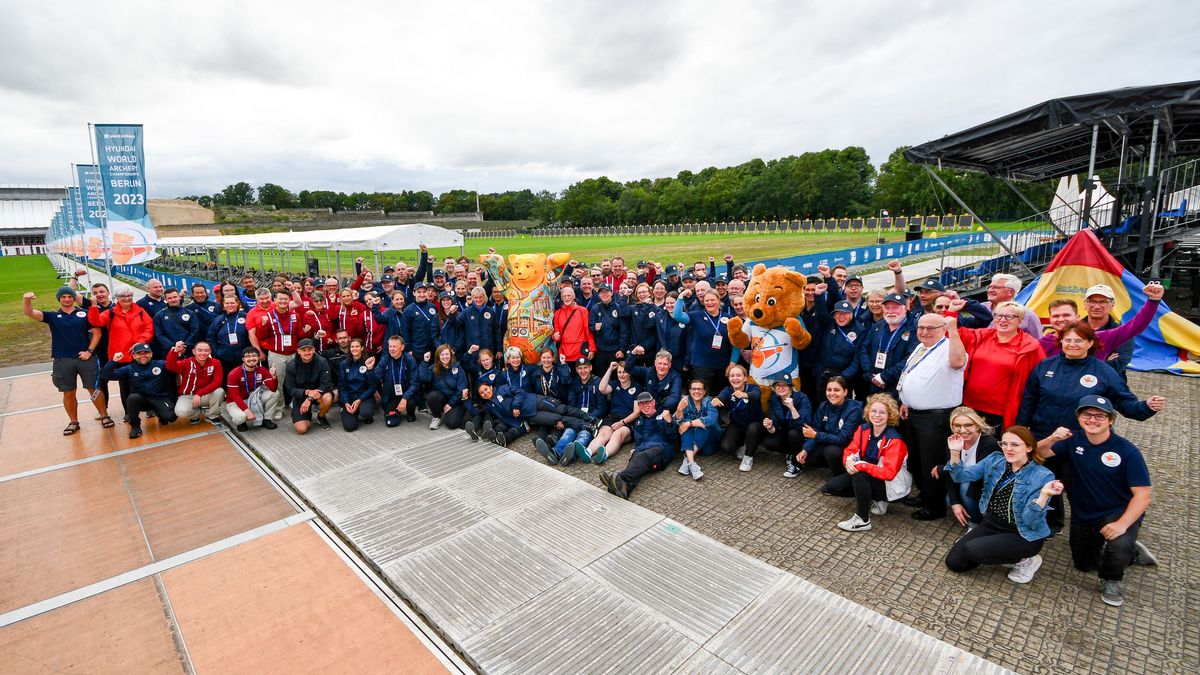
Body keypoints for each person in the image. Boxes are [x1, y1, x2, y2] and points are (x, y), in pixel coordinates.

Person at [1018, 322, 1164, 531]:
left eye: (1078, 340)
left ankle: (1104, 524)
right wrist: (1022, 430)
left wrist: (1146, 407)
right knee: (1043, 483)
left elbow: (1124, 402)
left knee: (1081, 487)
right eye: (1067, 340)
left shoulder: (1103, 371)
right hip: (1046, 438)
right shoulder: (1046, 366)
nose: (1072, 344)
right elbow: (1029, 399)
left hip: (1082, 442)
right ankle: (1050, 523)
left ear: (1090, 343)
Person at [1038, 396, 1157, 607]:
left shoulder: (1127, 451)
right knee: (1084, 565)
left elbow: (1143, 495)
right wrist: (1052, 438)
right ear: (1078, 417)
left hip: (1117, 511)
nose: (1092, 420)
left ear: (1110, 419)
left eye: (1100, 415)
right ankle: (1132, 551)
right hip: (1084, 514)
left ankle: (1111, 578)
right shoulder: (1072, 440)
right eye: (1087, 415)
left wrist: (1122, 524)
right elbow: (1038, 453)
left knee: (1117, 544)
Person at [944, 426, 1061, 584]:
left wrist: (1044, 496)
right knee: (955, 563)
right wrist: (955, 452)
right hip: (992, 523)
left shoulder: (1043, 475)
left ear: (1028, 447)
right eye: (1004, 444)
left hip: (1022, 533)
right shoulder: (995, 460)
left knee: (972, 549)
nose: (1008, 449)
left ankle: (1026, 560)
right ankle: (988, 548)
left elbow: (1030, 520)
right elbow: (961, 476)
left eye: (1015, 445)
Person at [898, 312, 968, 521]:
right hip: (913, 413)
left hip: (935, 417)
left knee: (932, 462)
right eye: (921, 327)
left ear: (943, 329)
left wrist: (954, 330)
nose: (925, 332)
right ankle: (924, 494)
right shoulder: (922, 347)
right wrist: (906, 400)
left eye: (931, 328)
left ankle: (935, 505)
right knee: (917, 460)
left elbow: (957, 363)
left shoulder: (950, 347)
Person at [23, 287, 112, 434]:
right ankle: (73, 421)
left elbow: (97, 333)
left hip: (85, 359)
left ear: (73, 298)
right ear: (59, 299)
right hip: (62, 360)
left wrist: (89, 351)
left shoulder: (84, 314)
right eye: (63, 297)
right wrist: (26, 301)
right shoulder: (52, 316)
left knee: (94, 388)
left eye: (69, 296)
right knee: (68, 392)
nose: (67, 299)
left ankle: (104, 415)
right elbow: (30, 313)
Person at [951, 299, 1045, 431]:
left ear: (1020, 320)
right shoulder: (981, 336)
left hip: (999, 413)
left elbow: (1039, 381)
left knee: (992, 449)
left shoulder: (1030, 347)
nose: (1003, 320)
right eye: (999, 315)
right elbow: (949, 334)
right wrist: (951, 312)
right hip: (969, 406)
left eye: (1010, 316)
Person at [822, 394, 911, 532]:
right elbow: (850, 449)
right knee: (830, 488)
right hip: (869, 475)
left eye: (882, 412)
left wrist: (862, 465)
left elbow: (889, 473)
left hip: (891, 485)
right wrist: (848, 462)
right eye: (873, 411)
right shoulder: (863, 429)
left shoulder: (895, 440)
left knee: (860, 476)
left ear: (890, 415)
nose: (877, 415)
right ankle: (872, 498)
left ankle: (862, 519)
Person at [89, 286, 154, 416]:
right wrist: (94, 306)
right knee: (125, 386)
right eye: (123, 296)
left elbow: (149, 327)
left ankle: (148, 408)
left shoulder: (140, 311)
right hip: (120, 356)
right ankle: (129, 412)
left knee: (144, 382)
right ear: (117, 298)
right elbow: (95, 321)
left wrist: (140, 342)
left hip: (139, 355)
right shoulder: (111, 312)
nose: (127, 298)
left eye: (129, 295)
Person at [599, 392, 677, 499]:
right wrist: (635, 450)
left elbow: (673, 438)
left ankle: (619, 477)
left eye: (647, 403)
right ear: (639, 407)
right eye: (641, 404)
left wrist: (669, 422)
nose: (645, 406)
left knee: (641, 456)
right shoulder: (639, 421)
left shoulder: (663, 415)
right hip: (644, 450)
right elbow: (639, 441)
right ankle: (623, 488)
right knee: (636, 458)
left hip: (660, 451)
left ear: (653, 402)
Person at [931, 408, 1000, 528]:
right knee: (949, 499)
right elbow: (951, 474)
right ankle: (973, 518)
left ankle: (976, 524)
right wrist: (955, 503)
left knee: (965, 486)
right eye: (957, 425)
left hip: (987, 488)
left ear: (977, 426)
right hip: (966, 482)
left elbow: (981, 477)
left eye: (968, 425)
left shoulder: (989, 444)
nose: (962, 430)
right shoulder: (954, 441)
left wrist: (943, 468)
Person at [100, 343, 179, 439]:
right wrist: (113, 361)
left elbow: (175, 366)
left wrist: (176, 353)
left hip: (159, 398)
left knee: (171, 417)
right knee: (132, 398)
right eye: (139, 353)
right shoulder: (129, 369)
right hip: (142, 400)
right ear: (134, 356)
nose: (143, 356)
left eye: (146, 353)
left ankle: (160, 414)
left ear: (151, 354)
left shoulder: (161, 364)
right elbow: (106, 376)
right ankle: (135, 427)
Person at [796, 376, 863, 478]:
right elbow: (815, 429)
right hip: (829, 441)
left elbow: (844, 439)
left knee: (831, 451)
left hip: (847, 446)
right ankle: (831, 465)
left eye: (836, 390)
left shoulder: (854, 410)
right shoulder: (823, 406)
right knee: (808, 459)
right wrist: (805, 449)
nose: (832, 393)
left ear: (845, 392)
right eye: (829, 390)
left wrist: (817, 435)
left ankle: (841, 475)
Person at [672, 288, 733, 393]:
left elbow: (736, 343)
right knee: (704, 396)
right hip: (701, 366)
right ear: (703, 302)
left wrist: (733, 363)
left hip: (722, 366)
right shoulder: (697, 316)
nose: (710, 303)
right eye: (707, 300)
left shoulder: (729, 319)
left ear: (719, 301)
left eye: (713, 300)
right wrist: (681, 296)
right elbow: (677, 316)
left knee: (721, 397)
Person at [582, 360, 644, 464]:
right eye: (619, 372)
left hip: (628, 421)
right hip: (613, 417)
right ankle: (588, 452)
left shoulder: (637, 387)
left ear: (629, 373)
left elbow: (637, 412)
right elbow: (601, 388)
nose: (621, 375)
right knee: (603, 434)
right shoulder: (614, 384)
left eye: (624, 372)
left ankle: (604, 454)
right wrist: (610, 369)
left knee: (617, 435)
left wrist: (622, 423)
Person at [855, 292, 916, 397]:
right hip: (874, 382)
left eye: (895, 308)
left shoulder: (914, 329)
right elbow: (864, 349)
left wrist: (884, 377)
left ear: (905, 308)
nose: (890, 311)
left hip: (899, 387)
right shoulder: (878, 327)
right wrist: (870, 374)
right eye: (887, 308)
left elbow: (910, 359)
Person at [753, 379, 811, 478]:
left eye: (784, 385)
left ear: (790, 387)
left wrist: (792, 408)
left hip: (800, 434)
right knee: (768, 442)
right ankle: (790, 452)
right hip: (785, 433)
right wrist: (770, 426)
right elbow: (775, 424)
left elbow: (804, 425)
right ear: (774, 389)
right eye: (778, 386)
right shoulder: (774, 399)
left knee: (793, 433)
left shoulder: (802, 398)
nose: (781, 388)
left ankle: (796, 465)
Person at [712, 364, 763, 471]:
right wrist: (717, 399)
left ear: (745, 378)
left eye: (738, 375)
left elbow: (756, 395)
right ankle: (744, 443)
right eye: (732, 376)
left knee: (753, 428)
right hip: (738, 424)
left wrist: (745, 395)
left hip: (754, 425)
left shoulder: (753, 388)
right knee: (726, 447)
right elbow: (722, 396)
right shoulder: (728, 390)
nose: (735, 378)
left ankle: (748, 456)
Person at [166, 341, 225, 426]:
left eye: (206, 350)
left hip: (205, 395)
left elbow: (217, 382)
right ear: (194, 351)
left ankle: (212, 415)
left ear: (210, 351)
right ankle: (196, 414)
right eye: (200, 350)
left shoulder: (215, 363)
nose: (203, 353)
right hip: (187, 395)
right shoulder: (187, 362)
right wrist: (175, 351)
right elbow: (170, 366)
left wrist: (199, 393)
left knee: (220, 391)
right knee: (180, 411)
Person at [285, 338, 333, 434]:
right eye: (303, 350)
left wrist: (310, 398)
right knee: (301, 430)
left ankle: (321, 416)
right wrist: (306, 392)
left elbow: (326, 384)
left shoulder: (322, 361)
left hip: (318, 394)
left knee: (328, 397)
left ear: (314, 350)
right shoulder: (291, 365)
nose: (307, 353)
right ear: (298, 351)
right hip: (301, 397)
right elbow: (290, 389)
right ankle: (301, 414)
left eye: (310, 349)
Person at [225, 348, 280, 432]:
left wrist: (274, 377)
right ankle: (242, 423)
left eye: (254, 355)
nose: (251, 358)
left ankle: (266, 419)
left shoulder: (262, 370)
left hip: (254, 398)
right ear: (243, 359)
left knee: (275, 393)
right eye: (248, 356)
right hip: (235, 401)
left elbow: (273, 389)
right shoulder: (234, 373)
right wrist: (247, 411)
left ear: (258, 358)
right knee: (240, 418)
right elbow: (235, 396)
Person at [675, 380, 719, 480]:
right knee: (688, 427)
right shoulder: (685, 402)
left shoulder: (709, 401)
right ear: (690, 391)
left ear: (704, 391)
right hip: (695, 445)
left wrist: (689, 423)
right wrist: (679, 410)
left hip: (709, 443)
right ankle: (691, 463)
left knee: (704, 425)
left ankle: (687, 460)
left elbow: (712, 419)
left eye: (699, 389)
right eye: (694, 389)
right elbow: (679, 424)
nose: (696, 391)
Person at [422, 344, 473, 431]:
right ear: (438, 356)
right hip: (443, 398)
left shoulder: (457, 367)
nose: (445, 357)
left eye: (447, 354)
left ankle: (450, 413)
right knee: (432, 396)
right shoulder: (434, 368)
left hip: (457, 401)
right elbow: (424, 378)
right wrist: (425, 362)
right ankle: (437, 416)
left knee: (452, 423)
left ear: (451, 355)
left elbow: (462, 389)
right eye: (442, 354)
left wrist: (450, 404)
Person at [375, 335, 419, 427]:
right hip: (391, 396)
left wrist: (404, 398)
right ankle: (397, 412)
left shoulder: (410, 360)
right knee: (391, 423)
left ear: (402, 347)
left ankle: (410, 413)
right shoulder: (384, 360)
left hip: (407, 394)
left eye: (394, 346)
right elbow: (374, 378)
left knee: (410, 403)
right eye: (390, 346)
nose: (392, 349)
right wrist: (370, 370)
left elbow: (415, 383)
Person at [982, 274, 1043, 338]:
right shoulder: (981, 307)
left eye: (996, 287)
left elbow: (1037, 342)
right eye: (989, 287)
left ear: (1010, 292)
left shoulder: (1028, 315)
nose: (990, 290)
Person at [338, 338, 377, 431]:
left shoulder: (367, 362)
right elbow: (342, 387)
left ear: (362, 348)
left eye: (357, 346)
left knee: (366, 413)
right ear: (349, 349)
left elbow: (373, 386)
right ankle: (348, 411)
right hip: (350, 397)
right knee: (350, 427)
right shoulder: (344, 364)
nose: (354, 349)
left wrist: (370, 369)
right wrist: (346, 402)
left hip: (364, 397)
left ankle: (364, 412)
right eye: (352, 346)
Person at [207, 295, 250, 376]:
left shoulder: (246, 317)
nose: (229, 305)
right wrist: (216, 353)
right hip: (224, 359)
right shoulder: (218, 320)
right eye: (227, 303)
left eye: (232, 303)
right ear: (223, 305)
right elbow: (211, 337)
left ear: (238, 304)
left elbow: (252, 335)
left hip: (244, 358)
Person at [552, 286, 595, 363]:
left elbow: (588, 331)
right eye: (564, 296)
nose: (566, 298)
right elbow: (556, 332)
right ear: (561, 298)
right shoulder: (557, 313)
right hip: (564, 353)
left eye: (569, 295)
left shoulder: (583, 311)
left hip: (580, 352)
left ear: (574, 296)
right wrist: (555, 336)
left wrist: (592, 348)